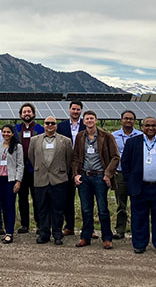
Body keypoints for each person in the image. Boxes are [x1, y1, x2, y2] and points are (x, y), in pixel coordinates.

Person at [121, 117, 156, 255]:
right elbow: (125, 163)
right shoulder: (132, 143)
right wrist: (130, 182)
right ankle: (140, 244)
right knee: (139, 217)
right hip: (140, 186)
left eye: (153, 125)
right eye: (147, 125)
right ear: (142, 127)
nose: (151, 128)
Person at [72, 110, 120, 249]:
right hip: (85, 177)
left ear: (96, 120)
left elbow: (115, 157)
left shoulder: (106, 136)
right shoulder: (80, 136)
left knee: (103, 209)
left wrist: (108, 174)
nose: (89, 121)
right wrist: (76, 174)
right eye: (87, 119)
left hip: (100, 177)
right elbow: (75, 158)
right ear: (84, 121)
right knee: (86, 210)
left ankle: (107, 238)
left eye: (92, 118)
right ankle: (85, 237)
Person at [27, 116, 73, 245]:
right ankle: (44, 234)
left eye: (53, 123)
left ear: (56, 125)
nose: (50, 125)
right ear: (44, 125)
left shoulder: (66, 141)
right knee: (42, 208)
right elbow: (31, 156)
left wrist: (60, 170)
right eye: (47, 123)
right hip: (40, 178)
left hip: (59, 179)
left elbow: (68, 159)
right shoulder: (34, 140)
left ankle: (57, 234)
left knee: (58, 209)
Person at [56, 101, 86, 236]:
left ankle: (88, 228)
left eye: (78, 109)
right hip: (66, 166)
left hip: (84, 166)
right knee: (67, 198)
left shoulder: (86, 125)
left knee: (86, 199)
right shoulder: (61, 126)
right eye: (73, 109)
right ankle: (69, 226)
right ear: (69, 110)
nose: (75, 111)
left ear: (81, 111)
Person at [111, 110, 142, 239]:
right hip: (120, 173)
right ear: (121, 120)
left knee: (137, 203)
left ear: (134, 121)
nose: (128, 121)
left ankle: (137, 230)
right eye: (126, 118)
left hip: (136, 174)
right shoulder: (114, 136)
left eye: (131, 119)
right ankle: (120, 230)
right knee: (121, 204)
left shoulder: (140, 135)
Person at [15, 102, 45, 234]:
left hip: (36, 169)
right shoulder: (16, 129)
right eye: (24, 112)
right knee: (22, 198)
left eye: (29, 111)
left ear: (33, 114)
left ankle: (39, 224)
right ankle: (24, 224)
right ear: (21, 114)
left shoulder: (40, 129)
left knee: (37, 197)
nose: (27, 114)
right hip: (20, 169)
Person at [0, 125, 23, 244]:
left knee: (10, 206)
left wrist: (18, 181)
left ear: (13, 133)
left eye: (8, 132)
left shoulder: (17, 147)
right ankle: (6, 231)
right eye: (4, 132)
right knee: (3, 206)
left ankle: (10, 232)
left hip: (11, 180)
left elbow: (20, 165)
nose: (6, 134)